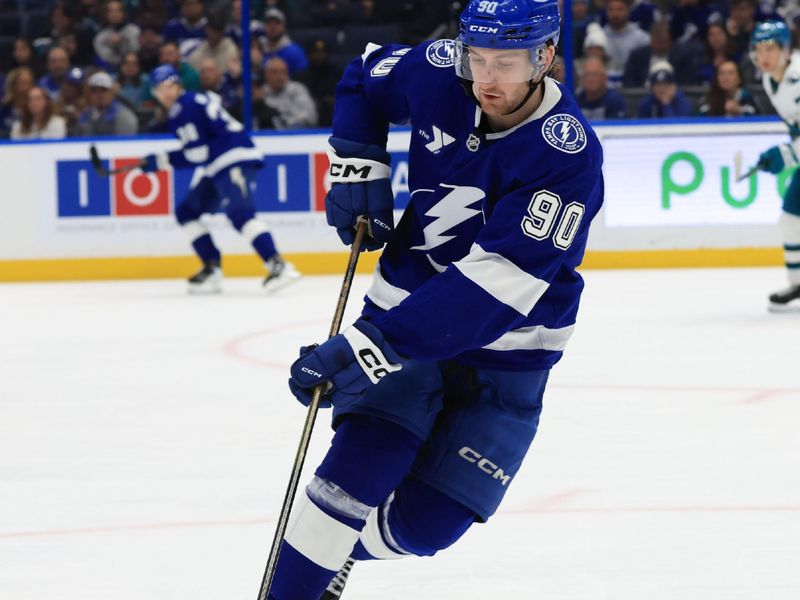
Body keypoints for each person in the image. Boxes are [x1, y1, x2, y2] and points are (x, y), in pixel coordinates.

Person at [269, 0, 604, 598]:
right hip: (405, 309)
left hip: (507, 357)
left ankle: (332, 551)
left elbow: (491, 290)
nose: (485, 79)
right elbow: (364, 77)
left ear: (545, 57)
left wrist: (370, 347)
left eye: (505, 62)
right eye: (477, 58)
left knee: (427, 526)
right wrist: (356, 160)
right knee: (350, 477)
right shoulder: (440, 70)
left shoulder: (567, 156)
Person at [137, 65, 300, 293]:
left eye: (169, 86)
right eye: (159, 89)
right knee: (187, 212)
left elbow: (197, 154)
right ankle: (212, 266)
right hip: (218, 164)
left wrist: (161, 161)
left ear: (178, 85)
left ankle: (278, 265)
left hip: (232, 158)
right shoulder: (189, 104)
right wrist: (162, 159)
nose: (165, 93)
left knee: (240, 214)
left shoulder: (183, 107)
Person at [750, 20, 800, 310]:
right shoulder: (771, 80)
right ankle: (797, 282)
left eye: (770, 48)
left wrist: (787, 154)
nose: (764, 56)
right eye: (759, 49)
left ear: (785, 49)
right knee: (792, 216)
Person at [75, 71, 139, 136]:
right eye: (94, 90)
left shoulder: (123, 116)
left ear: (111, 92)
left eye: (103, 90)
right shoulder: (86, 114)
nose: (98, 94)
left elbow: (125, 143)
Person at [261, 57, 318, 129]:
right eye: (274, 72)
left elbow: (310, 117)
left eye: (282, 72)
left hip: (297, 135)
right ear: (266, 74)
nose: (279, 76)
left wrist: (284, 122)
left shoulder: (297, 89)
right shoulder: (261, 93)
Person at [93, 0, 141, 68]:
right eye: (110, 11)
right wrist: (113, 45)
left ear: (124, 13)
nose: (114, 14)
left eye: (117, 10)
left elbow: (136, 50)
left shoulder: (134, 31)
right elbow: (106, 58)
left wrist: (123, 41)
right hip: (110, 69)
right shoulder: (101, 37)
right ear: (106, 14)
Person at [261, 8, 308, 76]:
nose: (272, 27)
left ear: (284, 27)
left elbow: (302, 76)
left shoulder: (294, 51)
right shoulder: (260, 48)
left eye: (277, 23)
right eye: (269, 23)